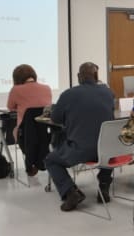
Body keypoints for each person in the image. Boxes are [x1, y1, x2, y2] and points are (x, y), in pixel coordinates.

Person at [45, 62, 115, 211]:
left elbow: (56, 119)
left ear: (78, 77)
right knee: (105, 146)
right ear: (96, 76)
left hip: (81, 150)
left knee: (51, 160)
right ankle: (104, 185)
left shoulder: (68, 94)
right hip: (107, 150)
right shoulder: (108, 93)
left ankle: (71, 192)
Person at [6, 64, 53, 175]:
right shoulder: (47, 88)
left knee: (14, 129)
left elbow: (10, 107)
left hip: (25, 134)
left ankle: (31, 161)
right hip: (45, 132)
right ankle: (38, 161)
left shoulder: (16, 90)